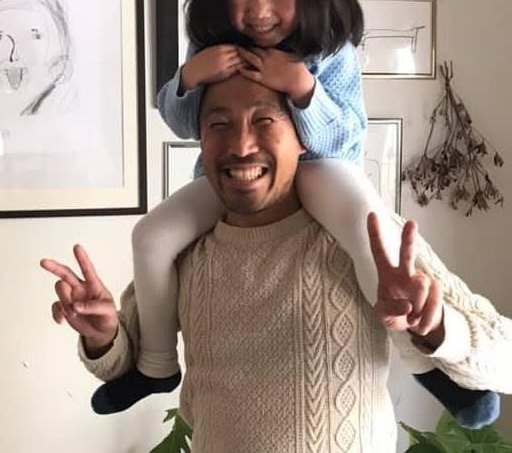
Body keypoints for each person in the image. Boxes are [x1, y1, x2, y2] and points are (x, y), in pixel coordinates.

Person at [87, 0, 499, 428]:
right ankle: (157, 365)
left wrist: (301, 87)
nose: (260, 11)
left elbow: (344, 137)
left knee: (370, 236)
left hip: (324, 171)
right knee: (151, 235)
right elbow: (186, 124)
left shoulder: (328, 45)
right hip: (231, 181)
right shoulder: (211, 45)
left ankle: (425, 363)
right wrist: (190, 76)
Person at [41, 74, 512, 452]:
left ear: (303, 137)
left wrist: (437, 326)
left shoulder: (365, 236)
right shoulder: (182, 248)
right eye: (218, 124)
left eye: (264, 120)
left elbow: (505, 361)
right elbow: (125, 366)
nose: (241, 144)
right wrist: (102, 335)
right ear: (201, 141)